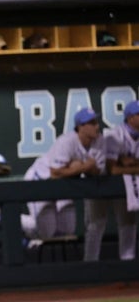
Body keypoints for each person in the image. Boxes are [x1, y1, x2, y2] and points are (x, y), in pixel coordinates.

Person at [22, 107, 105, 241]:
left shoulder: (99, 140)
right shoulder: (67, 141)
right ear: (80, 127)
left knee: (67, 231)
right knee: (47, 234)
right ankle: (10, 219)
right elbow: (55, 173)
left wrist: (82, 167)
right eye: (92, 123)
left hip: (64, 184)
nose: (97, 126)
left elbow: (97, 171)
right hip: (41, 181)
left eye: (96, 122)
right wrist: (83, 167)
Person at [86, 100, 139, 261]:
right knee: (96, 224)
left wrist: (127, 163)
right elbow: (113, 169)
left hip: (124, 185)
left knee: (128, 223)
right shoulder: (114, 135)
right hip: (100, 182)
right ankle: (90, 265)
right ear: (130, 118)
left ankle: (127, 264)